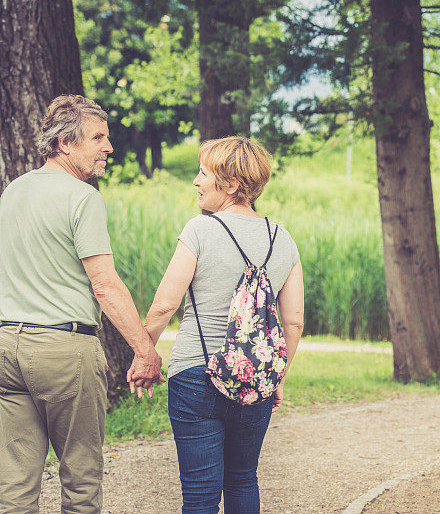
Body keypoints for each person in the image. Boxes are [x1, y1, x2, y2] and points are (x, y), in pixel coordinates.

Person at [0, 94, 164, 513]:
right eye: (98, 138)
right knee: (81, 478)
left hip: (7, 348)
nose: (108, 147)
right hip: (63, 352)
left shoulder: (12, 193)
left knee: (14, 484)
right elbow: (105, 285)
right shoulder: (83, 197)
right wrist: (145, 350)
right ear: (65, 144)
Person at [134, 136, 304, 513]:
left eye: (203, 173)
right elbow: (293, 321)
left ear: (229, 184)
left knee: (199, 493)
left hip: (196, 374)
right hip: (254, 380)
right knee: (244, 479)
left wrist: (144, 353)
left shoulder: (200, 229)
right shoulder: (284, 238)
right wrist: (276, 376)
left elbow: (164, 306)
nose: (195, 181)